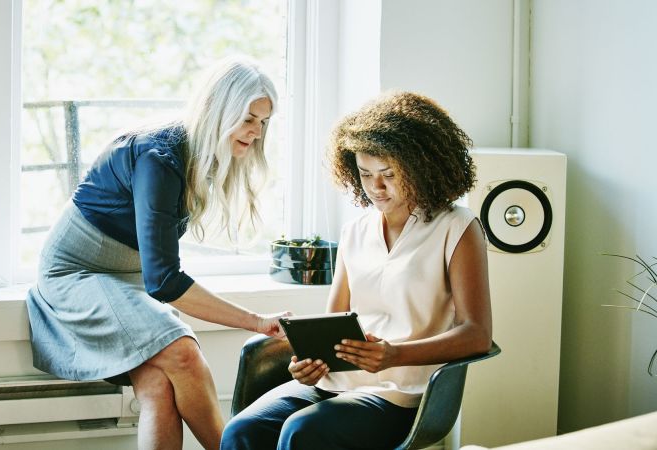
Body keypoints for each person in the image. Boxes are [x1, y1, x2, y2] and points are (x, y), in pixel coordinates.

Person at [25, 57, 288, 450]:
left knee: (156, 384)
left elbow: (155, 270)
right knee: (183, 353)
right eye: (249, 119)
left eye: (264, 122)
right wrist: (256, 321)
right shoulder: (158, 156)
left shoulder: (196, 154)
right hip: (75, 276)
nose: (257, 132)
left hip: (125, 280)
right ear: (219, 110)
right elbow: (164, 280)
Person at [220, 91, 493, 450]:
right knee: (241, 431)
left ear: (421, 168)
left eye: (389, 175)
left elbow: (477, 335)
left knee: (302, 432)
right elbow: (332, 324)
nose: (376, 187)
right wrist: (309, 363)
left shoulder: (457, 227)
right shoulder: (356, 231)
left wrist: (395, 354)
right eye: (365, 174)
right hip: (338, 383)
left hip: (402, 393)